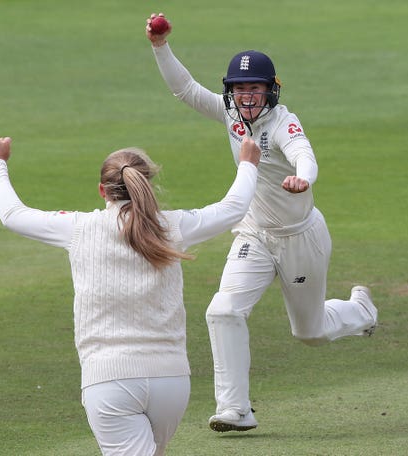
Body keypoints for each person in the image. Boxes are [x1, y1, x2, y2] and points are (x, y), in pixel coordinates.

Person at [145, 13, 379, 434]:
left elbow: (304, 152)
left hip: (300, 237)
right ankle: (236, 409)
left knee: (310, 333)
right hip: (254, 233)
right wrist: (160, 46)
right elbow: (184, 89)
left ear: (271, 90)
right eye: (239, 88)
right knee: (222, 310)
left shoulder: (283, 121)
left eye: (254, 88)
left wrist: (303, 177)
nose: (246, 96)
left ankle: (360, 309)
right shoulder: (231, 114)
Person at [0, 136, 260, 455]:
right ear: (148, 185)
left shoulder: (78, 228)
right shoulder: (172, 226)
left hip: (108, 381)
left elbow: (13, 215)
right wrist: (248, 164)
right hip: (171, 381)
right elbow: (233, 208)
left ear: (103, 190)